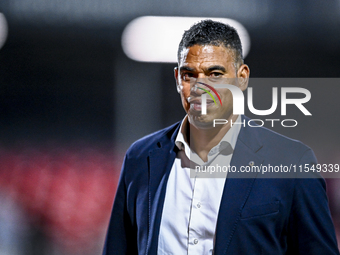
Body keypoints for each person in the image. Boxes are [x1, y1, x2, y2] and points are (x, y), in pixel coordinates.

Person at [103, 20, 339, 254]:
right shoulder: (140, 158)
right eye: (189, 75)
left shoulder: (291, 161)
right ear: (177, 79)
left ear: (242, 77)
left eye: (215, 74)